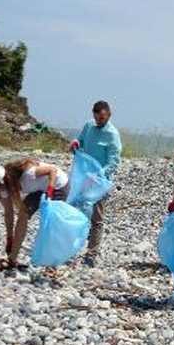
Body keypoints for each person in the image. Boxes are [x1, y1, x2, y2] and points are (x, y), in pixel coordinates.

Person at [0, 158, 69, 269]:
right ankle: (12, 259)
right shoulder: (4, 188)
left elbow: (52, 170)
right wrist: (9, 237)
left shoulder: (29, 175)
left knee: (51, 223)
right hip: (39, 188)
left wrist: (50, 190)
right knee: (23, 214)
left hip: (58, 185)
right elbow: (9, 213)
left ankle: (53, 263)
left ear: (3, 181)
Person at [70, 101, 122, 267]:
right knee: (77, 211)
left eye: (102, 118)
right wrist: (75, 144)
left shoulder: (112, 134)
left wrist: (98, 175)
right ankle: (72, 247)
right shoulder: (88, 126)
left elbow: (114, 161)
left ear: (108, 115)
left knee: (96, 219)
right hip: (84, 178)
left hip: (100, 182)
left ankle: (92, 255)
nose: (99, 121)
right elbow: (80, 142)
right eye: (97, 117)